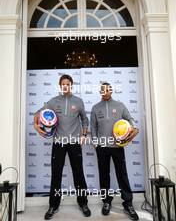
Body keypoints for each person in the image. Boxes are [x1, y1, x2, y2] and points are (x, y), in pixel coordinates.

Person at [34, 74, 91, 220]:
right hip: (58, 142)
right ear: (60, 86)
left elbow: (85, 121)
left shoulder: (78, 102)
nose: (65, 86)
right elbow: (38, 113)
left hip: (74, 143)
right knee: (56, 174)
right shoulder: (53, 102)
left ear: (71, 85)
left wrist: (84, 135)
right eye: (63, 84)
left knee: (79, 174)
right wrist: (36, 125)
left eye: (68, 84)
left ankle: (83, 203)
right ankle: (53, 205)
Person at [90, 82, 139, 220]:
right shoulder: (95, 108)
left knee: (122, 174)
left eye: (107, 90)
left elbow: (129, 119)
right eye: (102, 90)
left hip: (118, 146)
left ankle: (128, 203)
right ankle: (106, 202)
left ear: (111, 91)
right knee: (104, 175)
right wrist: (95, 142)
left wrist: (134, 127)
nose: (104, 92)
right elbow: (93, 127)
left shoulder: (120, 106)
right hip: (102, 148)